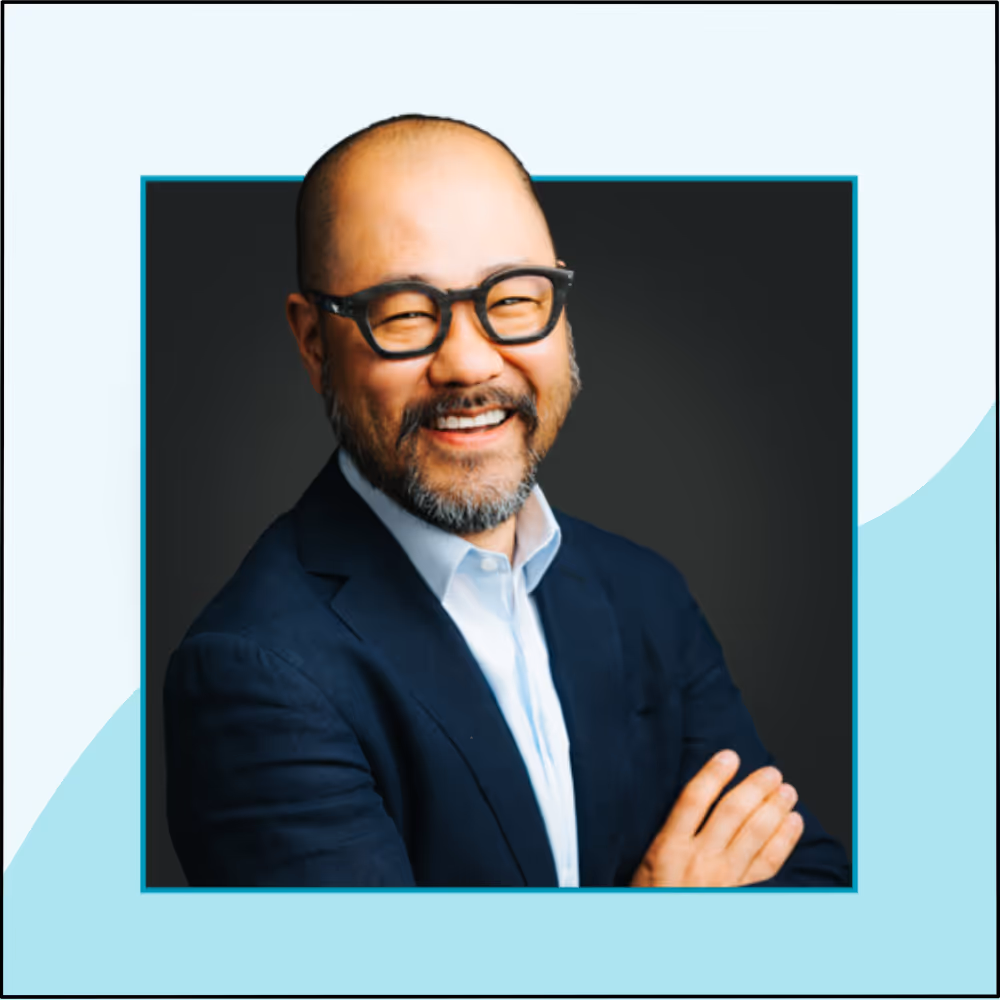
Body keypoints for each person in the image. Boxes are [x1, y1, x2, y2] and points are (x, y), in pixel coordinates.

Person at [163, 113, 850, 888]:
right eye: (405, 312)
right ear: (314, 342)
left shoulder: (643, 594)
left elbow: (811, 889)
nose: (467, 361)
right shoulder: (256, 673)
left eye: (515, 298)